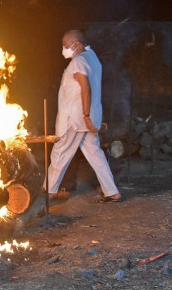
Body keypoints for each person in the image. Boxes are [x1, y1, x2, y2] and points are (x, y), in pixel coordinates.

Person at [47, 29, 121, 202]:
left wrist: (85, 116)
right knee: (95, 154)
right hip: (89, 118)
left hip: (76, 119)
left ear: (77, 44)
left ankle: (48, 191)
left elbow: (85, 88)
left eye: (66, 45)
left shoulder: (78, 62)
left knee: (60, 152)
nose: (64, 49)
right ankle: (112, 191)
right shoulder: (92, 57)